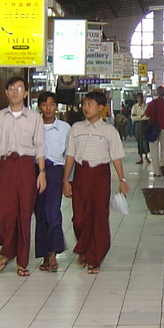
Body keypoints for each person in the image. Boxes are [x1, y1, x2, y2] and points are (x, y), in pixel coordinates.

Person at [63, 90, 129, 273]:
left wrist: (122, 180)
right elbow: (70, 155)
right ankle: (83, 248)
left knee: (98, 216)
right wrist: (66, 180)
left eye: (90, 104)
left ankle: (94, 257)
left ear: (101, 108)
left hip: (100, 176)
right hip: (81, 175)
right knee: (79, 218)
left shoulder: (109, 131)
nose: (86, 107)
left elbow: (116, 157)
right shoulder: (76, 128)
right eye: (84, 104)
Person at [0, 76, 46, 277]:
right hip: (6, 167)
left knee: (23, 215)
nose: (15, 92)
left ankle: (21, 261)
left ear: (26, 93)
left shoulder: (34, 118)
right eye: (11, 88)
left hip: (27, 167)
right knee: (2, 215)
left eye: (19, 88)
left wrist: (42, 173)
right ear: (6, 92)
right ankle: (8, 249)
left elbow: (40, 146)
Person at [33, 92, 69, 272]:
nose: (48, 108)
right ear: (39, 106)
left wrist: (67, 180)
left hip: (55, 171)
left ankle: (54, 253)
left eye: (52, 104)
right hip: (34, 172)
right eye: (45, 104)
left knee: (53, 212)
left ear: (57, 107)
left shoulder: (64, 128)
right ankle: (45, 255)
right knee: (40, 214)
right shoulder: (33, 126)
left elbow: (69, 155)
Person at [144, 86, 164, 176]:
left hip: (153, 129)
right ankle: (162, 164)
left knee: (154, 150)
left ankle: (157, 172)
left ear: (157, 93)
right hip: (163, 129)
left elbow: (146, 114)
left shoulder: (151, 104)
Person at [131, 92, 149, 165]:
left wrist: (138, 116)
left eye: (141, 98)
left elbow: (147, 116)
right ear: (136, 99)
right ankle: (140, 157)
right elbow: (133, 118)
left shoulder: (146, 106)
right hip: (138, 125)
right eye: (138, 98)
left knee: (145, 141)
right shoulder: (134, 107)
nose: (140, 99)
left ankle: (146, 156)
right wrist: (141, 116)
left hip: (145, 125)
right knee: (139, 141)